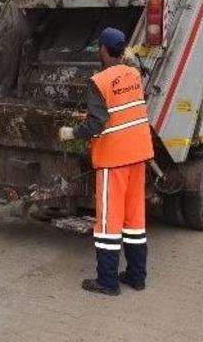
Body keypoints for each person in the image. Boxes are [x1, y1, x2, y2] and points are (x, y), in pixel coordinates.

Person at [57, 28, 154, 296]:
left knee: (108, 224)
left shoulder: (98, 81)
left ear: (102, 49)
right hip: (139, 155)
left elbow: (97, 125)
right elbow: (121, 108)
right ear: (122, 50)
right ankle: (136, 276)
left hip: (114, 159)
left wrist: (72, 132)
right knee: (134, 220)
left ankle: (108, 282)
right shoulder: (134, 75)